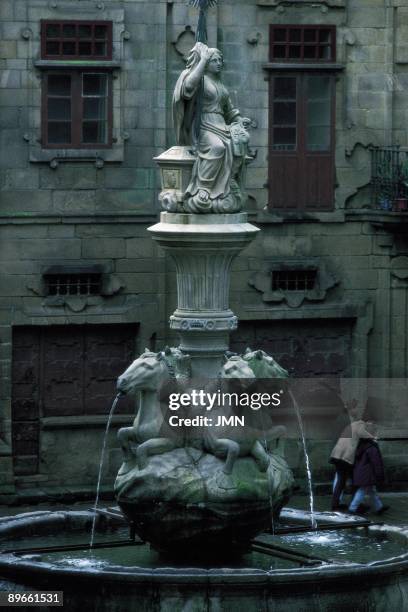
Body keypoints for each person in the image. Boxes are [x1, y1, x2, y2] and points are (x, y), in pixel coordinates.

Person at [172, 42, 251, 213]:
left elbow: (229, 110)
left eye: (220, 60)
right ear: (207, 63)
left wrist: (239, 119)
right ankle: (204, 188)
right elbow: (187, 89)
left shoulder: (221, 85)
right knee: (217, 147)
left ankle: (229, 180)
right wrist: (203, 60)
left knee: (242, 140)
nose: (219, 63)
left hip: (221, 123)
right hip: (203, 124)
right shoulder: (199, 78)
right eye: (215, 60)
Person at [329, 403, 375, 512]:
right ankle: (355, 505)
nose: (358, 411)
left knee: (341, 480)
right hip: (345, 456)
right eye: (356, 408)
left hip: (338, 454)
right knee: (355, 480)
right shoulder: (355, 422)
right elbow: (362, 433)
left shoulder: (346, 420)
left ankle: (336, 504)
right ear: (350, 409)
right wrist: (374, 438)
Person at [348, 436, 389, 515]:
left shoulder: (361, 446)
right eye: (374, 436)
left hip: (362, 473)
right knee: (362, 490)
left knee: (371, 490)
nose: (377, 438)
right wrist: (380, 475)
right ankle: (352, 508)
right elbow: (376, 463)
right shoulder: (371, 448)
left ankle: (379, 507)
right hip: (367, 474)